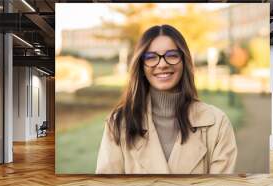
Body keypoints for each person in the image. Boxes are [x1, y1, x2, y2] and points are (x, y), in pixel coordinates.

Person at [96, 24, 237, 174]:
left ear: (184, 61)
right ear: (141, 66)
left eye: (172, 55)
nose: (162, 64)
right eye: (151, 57)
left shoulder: (217, 124)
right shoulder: (118, 123)